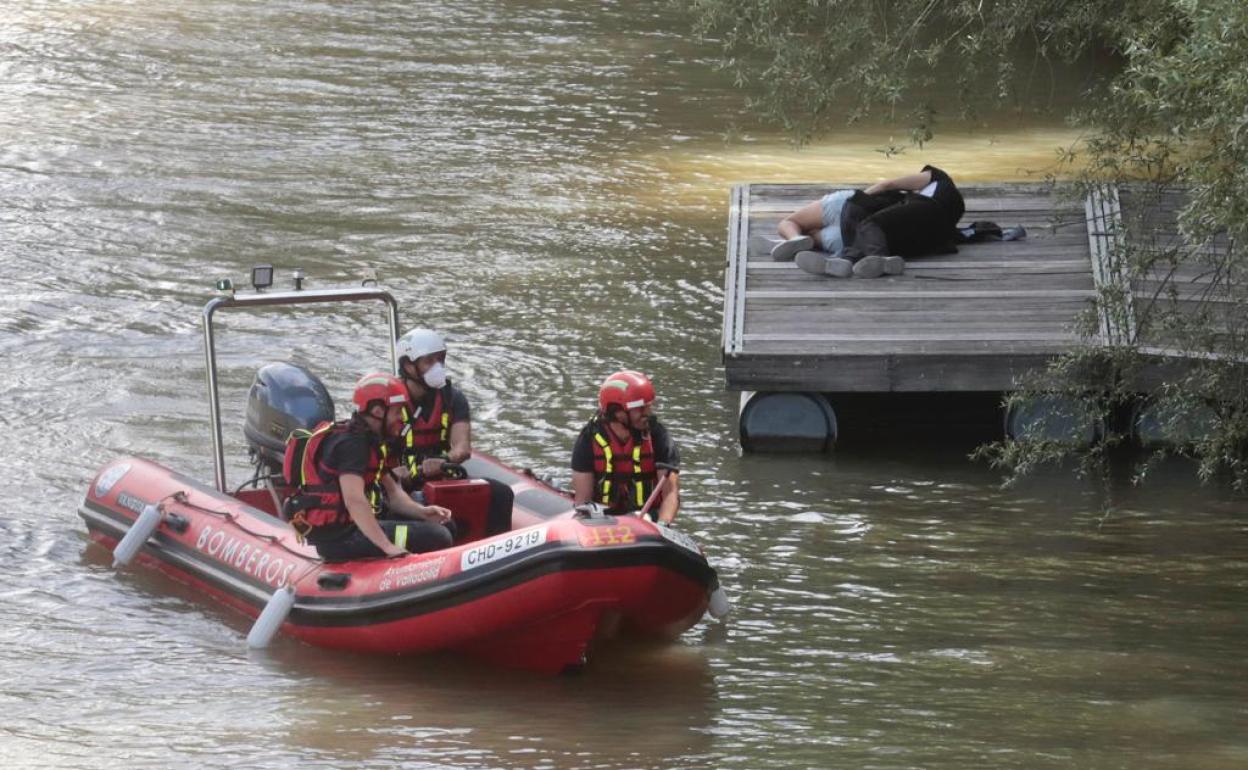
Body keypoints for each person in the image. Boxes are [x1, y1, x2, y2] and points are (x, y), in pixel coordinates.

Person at [282, 373, 454, 562]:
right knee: (438, 536)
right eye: (397, 412)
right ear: (379, 411)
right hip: (338, 539)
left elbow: (393, 493)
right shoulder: (352, 446)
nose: (401, 419)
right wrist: (388, 547)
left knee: (447, 525)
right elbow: (354, 501)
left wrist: (422, 511)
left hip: (352, 528)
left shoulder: (372, 440)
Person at [392, 328, 513, 537]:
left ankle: (497, 549)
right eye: (428, 361)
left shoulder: (452, 398)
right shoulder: (391, 401)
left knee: (501, 493)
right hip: (399, 484)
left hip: (441, 475)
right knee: (427, 515)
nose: (436, 367)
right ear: (408, 366)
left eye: (440, 360)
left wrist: (443, 460)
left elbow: (462, 448)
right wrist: (403, 473)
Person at [768, 165, 965, 278]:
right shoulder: (946, 215)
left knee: (791, 222)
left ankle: (795, 239)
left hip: (850, 212)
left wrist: (859, 197)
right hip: (857, 239)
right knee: (858, 231)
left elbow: (887, 184)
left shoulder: (938, 178)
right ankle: (844, 259)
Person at [571, 370, 680, 524]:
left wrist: (662, 526)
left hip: (648, 519)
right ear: (617, 413)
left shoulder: (658, 436)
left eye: (649, 406)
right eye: (641, 408)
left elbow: (670, 493)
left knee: (645, 519)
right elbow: (583, 501)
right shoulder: (588, 439)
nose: (648, 413)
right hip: (602, 519)